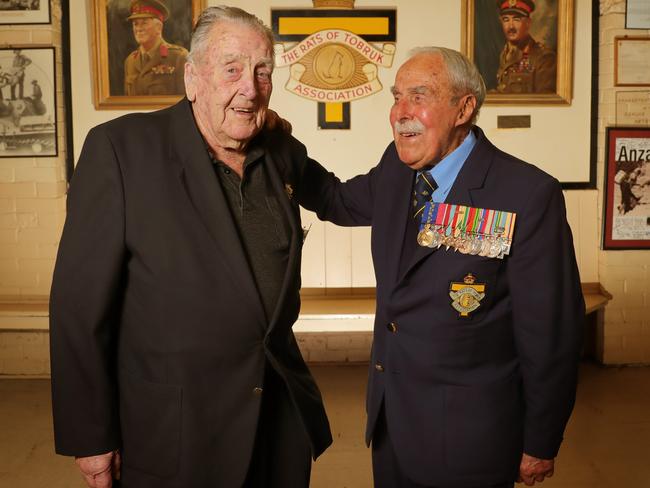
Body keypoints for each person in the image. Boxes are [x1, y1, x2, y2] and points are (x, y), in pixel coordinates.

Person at [50, 6, 332, 488]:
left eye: (262, 70)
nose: (250, 86)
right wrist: (91, 436)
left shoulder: (281, 150)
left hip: (276, 426)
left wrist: (434, 157)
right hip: (177, 435)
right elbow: (78, 308)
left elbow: (344, 198)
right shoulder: (121, 152)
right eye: (232, 69)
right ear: (192, 78)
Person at [297, 47, 584, 487]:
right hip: (392, 424)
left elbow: (550, 333)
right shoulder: (397, 169)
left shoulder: (527, 194)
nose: (400, 112)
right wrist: (273, 142)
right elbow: (335, 200)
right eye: (397, 96)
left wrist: (541, 440)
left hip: (472, 442)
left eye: (419, 96)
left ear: (464, 107)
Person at [123, 0, 188, 96]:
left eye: (144, 23)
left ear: (158, 27)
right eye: (135, 24)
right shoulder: (130, 61)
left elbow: (186, 101)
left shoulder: (178, 57)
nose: (139, 29)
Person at [494, 0, 556, 94]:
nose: (510, 26)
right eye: (506, 20)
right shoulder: (505, 53)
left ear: (528, 23)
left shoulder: (544, 58)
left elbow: (545, 103)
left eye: (516, 19)